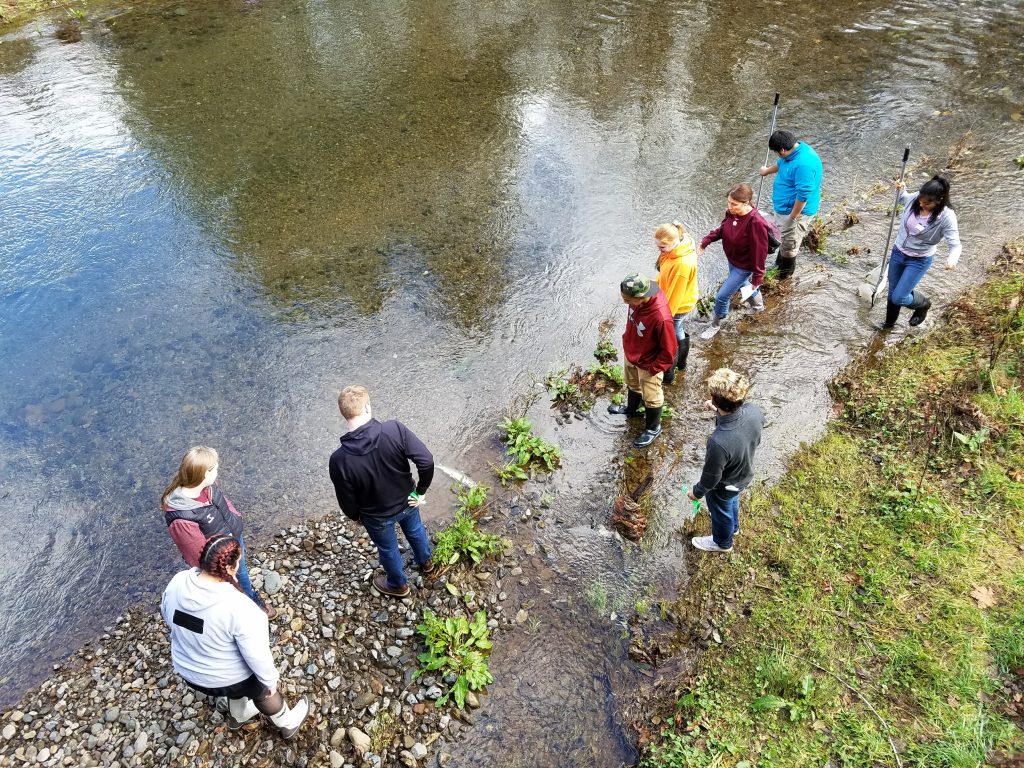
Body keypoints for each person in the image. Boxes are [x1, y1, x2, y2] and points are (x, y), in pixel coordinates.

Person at [161, 535, 310, 738]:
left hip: (187, 672)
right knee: (262, 690)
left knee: (237, 676)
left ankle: (238, 715)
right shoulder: (240, 607)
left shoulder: (177, 582)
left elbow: (167, 616)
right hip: (224, 678)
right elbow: (257, 656)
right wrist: (270, 681)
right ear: (230, 567)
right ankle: (288, 723)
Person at [329, 385, 435, 598]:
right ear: (367, 407)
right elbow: (426, 461)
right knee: (415, 531)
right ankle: (426, 563)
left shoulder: (339, 460)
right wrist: (420, 492)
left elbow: (346, 499)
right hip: (408, 501)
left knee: (388, 549)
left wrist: (356, 517)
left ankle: (398, 585)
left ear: (344, 415)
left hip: (375, 515)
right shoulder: (394, 429)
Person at [161, 446, 276, 619]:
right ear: (204, 474)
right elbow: (198, 558)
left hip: (233, 539)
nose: (218, 471)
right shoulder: (182, 518)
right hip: (219, 560)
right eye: (215, 468)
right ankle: (243, 612)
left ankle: (251, 598)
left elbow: (224, 503)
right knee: (228, 586)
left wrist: (236, 518)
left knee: (242, 572)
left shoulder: (208, 487)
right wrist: (223, 572)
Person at [687, 368, 764, 553]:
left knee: (720, 512)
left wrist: (697, 493)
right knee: (732, 501)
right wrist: (717, 411)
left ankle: (723, 543)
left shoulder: (718, 442)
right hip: (743, 476)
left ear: (714, 398)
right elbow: (737, 424)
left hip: (724, 485)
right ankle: (734, 527)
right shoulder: (754, 411)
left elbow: (711, 478)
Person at [879, 175, 961, 329]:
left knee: (899, 297)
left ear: (940, 199)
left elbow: (955, 244)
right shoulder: (917, 198)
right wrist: (900, 189)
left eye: (927, 203)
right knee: (892, 293)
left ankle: (923, 305)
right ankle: (888, 325)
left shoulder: (947, 217)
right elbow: (902, 198)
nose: (922, 204)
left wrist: (952, 260)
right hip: (898, 252)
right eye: (921, 201)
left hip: (918, 260)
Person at [607, 272, 678, 448]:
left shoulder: (661, 317)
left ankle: (653, 428)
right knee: (632, 383)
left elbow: (670, 350)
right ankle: (631, 410)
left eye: (628, 301)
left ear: (641, 297)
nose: (626, 304)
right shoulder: (637, 300)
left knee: (651, 396)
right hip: (632, 350)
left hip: (648, 361)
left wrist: (655, 368)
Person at [697, 183, 772, 339]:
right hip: (732, 260)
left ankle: (715, 325)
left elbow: (760, 252)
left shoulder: (756, 223)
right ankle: (758, 306)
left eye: (734, 204)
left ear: (746, 203)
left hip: (744, 266)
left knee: (721, 297)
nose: (730, 207)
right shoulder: (732, 213)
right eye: (729, 202)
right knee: (744, 285)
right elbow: (722, 230)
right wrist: (706, 241)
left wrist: (758, 277)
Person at [757, 129, 823, 279]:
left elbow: (803, 195)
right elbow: (781, 163)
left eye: (777, 152)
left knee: (789, 245)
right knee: (784, 238)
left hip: (795, 213)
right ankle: (779, 264)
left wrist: (792, 217)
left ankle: (784, 276)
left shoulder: (804, 164)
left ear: (782, 150)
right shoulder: (794, 149)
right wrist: (766, 171)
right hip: (785, 208)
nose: (778, 156)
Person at [654, 222, 698, 384]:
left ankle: (669, 372)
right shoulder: (677, 247)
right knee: (677, 328)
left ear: (673, 242)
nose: (659, 251)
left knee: (670, 334)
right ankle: (681, 362)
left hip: (679, 304)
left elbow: (675, 296)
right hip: (676, 296)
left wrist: (664, 319)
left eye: (662, 248)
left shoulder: (682, 265)